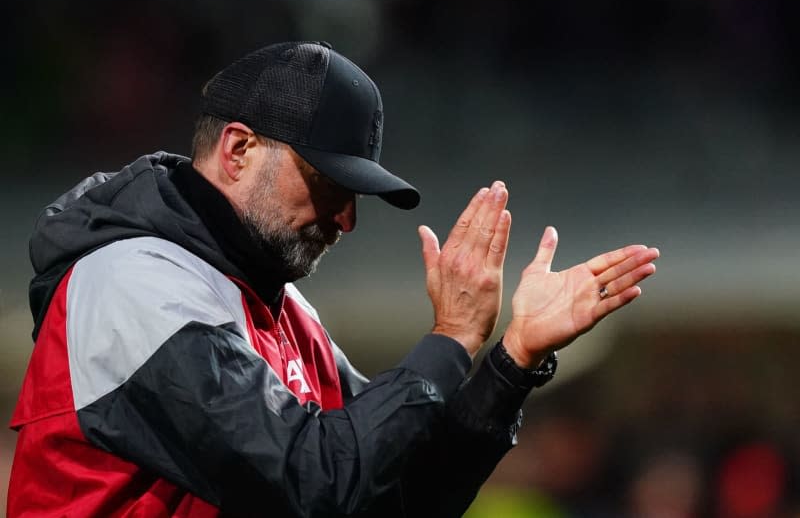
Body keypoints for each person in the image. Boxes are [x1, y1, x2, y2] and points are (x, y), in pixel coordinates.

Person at [7, 41, 659, 517]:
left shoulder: (278, 307)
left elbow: (394, 492)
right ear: (238, 150)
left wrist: (512, 361)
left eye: (355, 195)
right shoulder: (129, 282)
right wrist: (453, 336)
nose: (346, 219)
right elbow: (316, 481)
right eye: (326, 183)